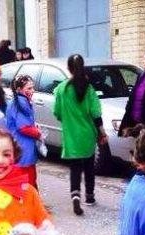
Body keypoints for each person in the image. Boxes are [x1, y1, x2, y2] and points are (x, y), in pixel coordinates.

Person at [53, 54, 107, 216]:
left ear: (69, 69)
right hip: (87, 134)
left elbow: (57, 112)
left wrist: (68, 120)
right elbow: (95, 112)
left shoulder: (61, 89)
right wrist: (102, 132)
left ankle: (75, 195)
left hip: (71, 134)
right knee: (89, 166)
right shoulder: (89, 88)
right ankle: (89, 197)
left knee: (75, 167)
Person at [6, 74, 42, 188]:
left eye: (32, 88)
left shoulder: (18, 101)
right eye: (29, 88)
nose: (32, 91)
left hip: (20, 149)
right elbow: (24, 127)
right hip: (23, 150)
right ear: (19, 89)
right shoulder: (20, 103)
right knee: (28, 184)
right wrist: (38, 133)